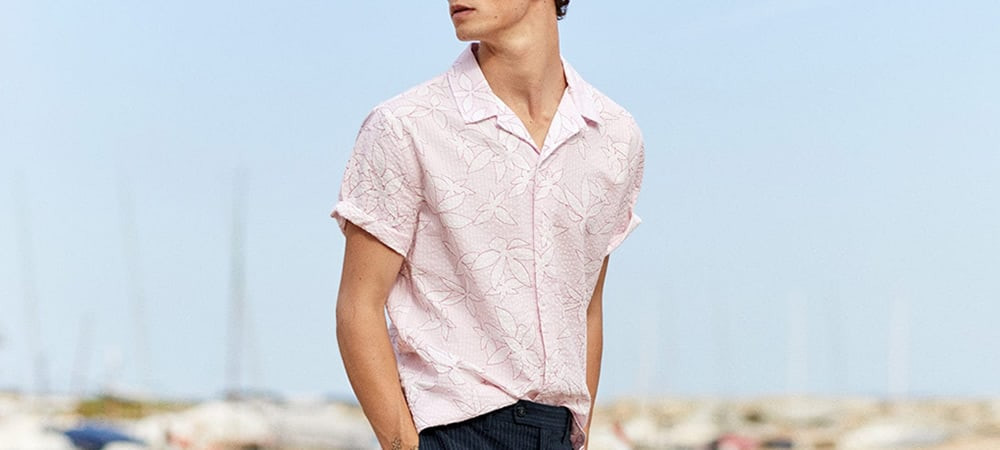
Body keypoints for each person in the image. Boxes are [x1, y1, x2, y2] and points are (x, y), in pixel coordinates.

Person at [331, 1, 644, 449]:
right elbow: (357, 307)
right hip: (451, 432)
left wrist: (580, 437)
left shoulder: (613, 136)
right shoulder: (406, 127)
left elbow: (585, 308)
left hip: (556, 432)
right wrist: (404, 445)